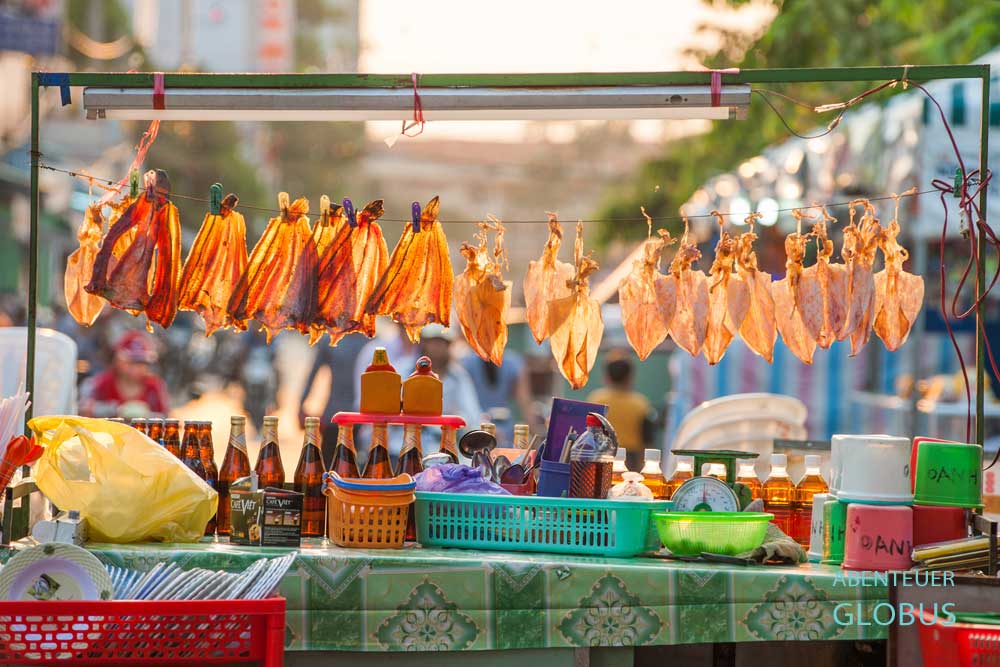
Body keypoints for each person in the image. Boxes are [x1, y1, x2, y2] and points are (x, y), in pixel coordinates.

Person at [299, 333, 368, 463]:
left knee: (359, 472)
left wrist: (301, 405)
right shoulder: (331, 339)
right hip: (335, 417)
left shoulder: (373, 343)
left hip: (362, 420)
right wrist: (301, 406)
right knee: (328, 470)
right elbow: (313, 373)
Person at [586, 353, 655, 471]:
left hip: (601, 455)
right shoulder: (641, 403)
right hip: (631, 459)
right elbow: (647, 440)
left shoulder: (596, 400)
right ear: (629, 377)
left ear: (607, 376)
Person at [79, 330, 170, 418]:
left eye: (141, 363)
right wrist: (114, 410)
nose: (136, 368)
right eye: (131, 362)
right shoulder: (100, 383)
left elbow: (165, 416)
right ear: (118, 360)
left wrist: (147, 414)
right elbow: (83, 410)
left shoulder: (154, 386)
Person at [460, 349, 540, 443]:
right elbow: (524, 400)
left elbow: (524, 400)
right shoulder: (514, 362)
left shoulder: (466, 362)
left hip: (490, 430)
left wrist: (534, 432)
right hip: (479, 427)